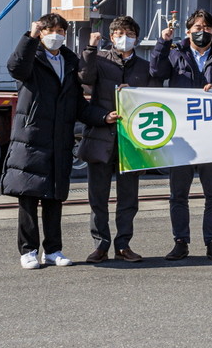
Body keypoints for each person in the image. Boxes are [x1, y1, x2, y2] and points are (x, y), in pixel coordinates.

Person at [1, 13, 116, 269]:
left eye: (61, 31)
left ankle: (53, 250)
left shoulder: (69, 60)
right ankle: (28, 250)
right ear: (40, 33)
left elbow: (77, 105)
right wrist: (29, 37)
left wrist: (103, 117)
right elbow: (16, 68)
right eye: (50, 30)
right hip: (32, 137)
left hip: (60, 138)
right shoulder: (33, 56)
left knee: (54, 196)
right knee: (28, 197)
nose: (56, 35)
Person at [150, 9, 212, 262]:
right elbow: (157, 73)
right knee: (178, 194)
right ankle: (181, 242)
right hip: (182, 135)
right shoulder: (175, 53)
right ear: (188, 31)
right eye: (198, 27)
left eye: (208, 28)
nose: (203, 31)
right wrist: (162, 43)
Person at [78, 15, 153, 264]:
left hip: (131, 141)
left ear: (137, 38)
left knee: (128, 198)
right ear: (112, 37)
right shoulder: (98, 60)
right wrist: (90, 48)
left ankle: (124, 245)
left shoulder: (144, 66)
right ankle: (100, 245)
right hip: (101, 138)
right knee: (97, 197)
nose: (124, 38)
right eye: (119, 34)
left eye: (129, 34)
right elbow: (84, 80)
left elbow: (154, 101)